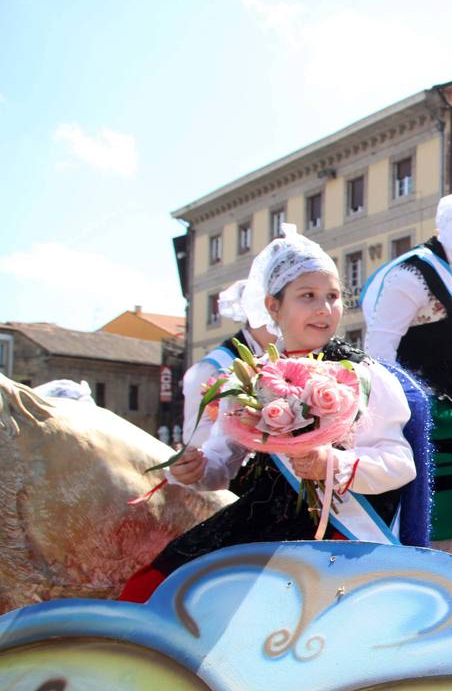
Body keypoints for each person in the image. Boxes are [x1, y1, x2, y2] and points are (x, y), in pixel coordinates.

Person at [119, 225, 417, 602]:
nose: (325, 309)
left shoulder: (366, 376)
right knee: (156, 589)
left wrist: (332, 462)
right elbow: (220, 463)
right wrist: (194, 470)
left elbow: (400, 464)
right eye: (307, 296)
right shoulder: (250, 376)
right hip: (264, 516)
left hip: (343, 527)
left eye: (333, 296)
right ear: (273, 306)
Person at [361, 185, 452, 549]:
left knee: (451, 521)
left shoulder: (449, 272)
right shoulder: (412, 275)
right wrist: (395, 421)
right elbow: (379, 351)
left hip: (447, 412)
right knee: (428, 524)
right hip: (419, 418)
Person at [179, 279, 277, 483]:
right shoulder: (213, 366)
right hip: (229, 481)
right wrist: (245, 430)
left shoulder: (281, 355)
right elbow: (193, 434)